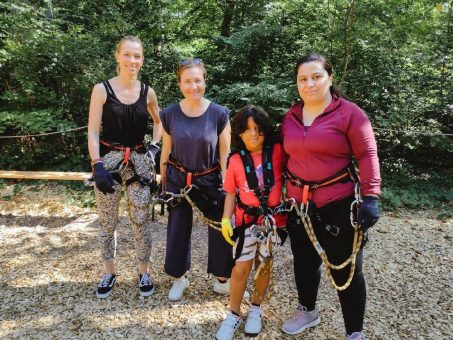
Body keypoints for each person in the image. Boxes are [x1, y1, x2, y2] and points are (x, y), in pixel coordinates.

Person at [280, 54, 380, 340]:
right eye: (303, 79)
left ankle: (354, 332)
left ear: (329, 79)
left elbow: (367, 155)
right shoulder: (291, 116)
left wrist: (371, 196)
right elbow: (281, 156)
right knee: (304, 262)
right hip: (299, 205)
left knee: (346, 268)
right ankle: (308, 310)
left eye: (316, 76)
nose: (309, 83)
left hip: (339, 202)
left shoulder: (349, 114)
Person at [87, 35, 162, 299]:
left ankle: (144, 271)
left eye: (137, 56)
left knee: (141, 220)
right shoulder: (102, 90)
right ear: (117, 56)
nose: (132, 60)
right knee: (107, 221)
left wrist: (154, 146)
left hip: (140, 163)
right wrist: (97, 165)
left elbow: (159, 121)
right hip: (108, 161)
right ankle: (109, 271)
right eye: (127, 55)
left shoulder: (147, 92)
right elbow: (93, 132)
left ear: (142, 59)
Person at [159, 58, 234, 301]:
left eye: (197, 80)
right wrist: (162, 181)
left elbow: (225, 153)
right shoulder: (169, 114)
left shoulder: (219, 114)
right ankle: (180, 277)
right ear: (180, 83)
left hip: (210, 179)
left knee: (220, 226)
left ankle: (222, 278)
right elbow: (166, 149)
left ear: (204, 81)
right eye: (187, 81)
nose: (193, 86)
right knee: (178, 227)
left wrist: (228, 186)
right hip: (178, 179)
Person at [215, 105, 286, 340]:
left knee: (264, 265)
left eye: (258, 129)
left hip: (270, 221)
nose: (253, 134)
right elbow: (232, 193)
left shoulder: (277, 151)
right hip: (245, 222)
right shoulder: (235, 160)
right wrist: (226, 219)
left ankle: (255, 308)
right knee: (241, 268)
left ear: (266, 130)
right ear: (239, 133)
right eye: (246, 129)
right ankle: (233, 314)